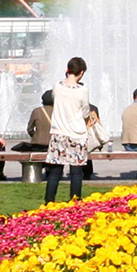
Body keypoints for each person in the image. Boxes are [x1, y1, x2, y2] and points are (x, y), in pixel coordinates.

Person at [43, 57, 93, 201]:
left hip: (58, 133)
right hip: (77, 134)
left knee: (55, 172)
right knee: (76, 172)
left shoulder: (57, 87)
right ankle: (75, 202)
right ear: (81, 73)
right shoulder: (83, 90)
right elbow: (85, 112)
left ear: (67, 70)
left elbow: (54, 100)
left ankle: (49, 202)